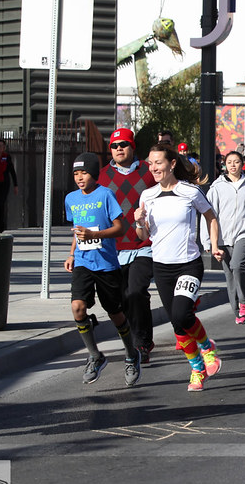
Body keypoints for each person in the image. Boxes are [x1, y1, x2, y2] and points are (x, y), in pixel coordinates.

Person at [134, 145, 224, 391]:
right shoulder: (147, 195)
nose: (153, 168)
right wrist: (138, 221)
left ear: (172, 164)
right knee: (176, 324)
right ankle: (197, 368)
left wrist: (214, 245)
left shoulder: (190, 191)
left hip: (188, 263)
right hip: (162, 266)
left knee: (182, 313)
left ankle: (207, 348)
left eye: (158, 163)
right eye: (150, 163)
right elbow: (143, 234)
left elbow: (211, 217)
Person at [64, 152, 142, 386]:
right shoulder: (71, 198)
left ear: (94, 174)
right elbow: (78, 230)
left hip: (106, 264)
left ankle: (131, 354)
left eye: (84, 173)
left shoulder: (105, 195)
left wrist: (95, 234)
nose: (79, 178)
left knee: (115, 313)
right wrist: (71, 254)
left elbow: (120, 228)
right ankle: (95, 356)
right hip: (83, 262)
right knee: (78, 308)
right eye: (76, 174)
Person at [98, 128, 158, 363]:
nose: (119, 148)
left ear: (132, 146)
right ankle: (136, 340)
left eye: (123, 144)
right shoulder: (102, 177)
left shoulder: (148, 171)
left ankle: (141, 344)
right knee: (121, 299)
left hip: (145, 243)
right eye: (114, 145)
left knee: (136, 291)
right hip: (114, 248)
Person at [203, 151, 245, 325]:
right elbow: (208, 215)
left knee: (237, 265)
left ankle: (244, 300)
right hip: (223, 237)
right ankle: (237, 311)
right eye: (229, 162)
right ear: (225, 165)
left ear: (242, 164)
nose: (233, 165)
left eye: (237, 162)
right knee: (229, 274)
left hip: (244, 232)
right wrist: (207, 241)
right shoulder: (216, 187)